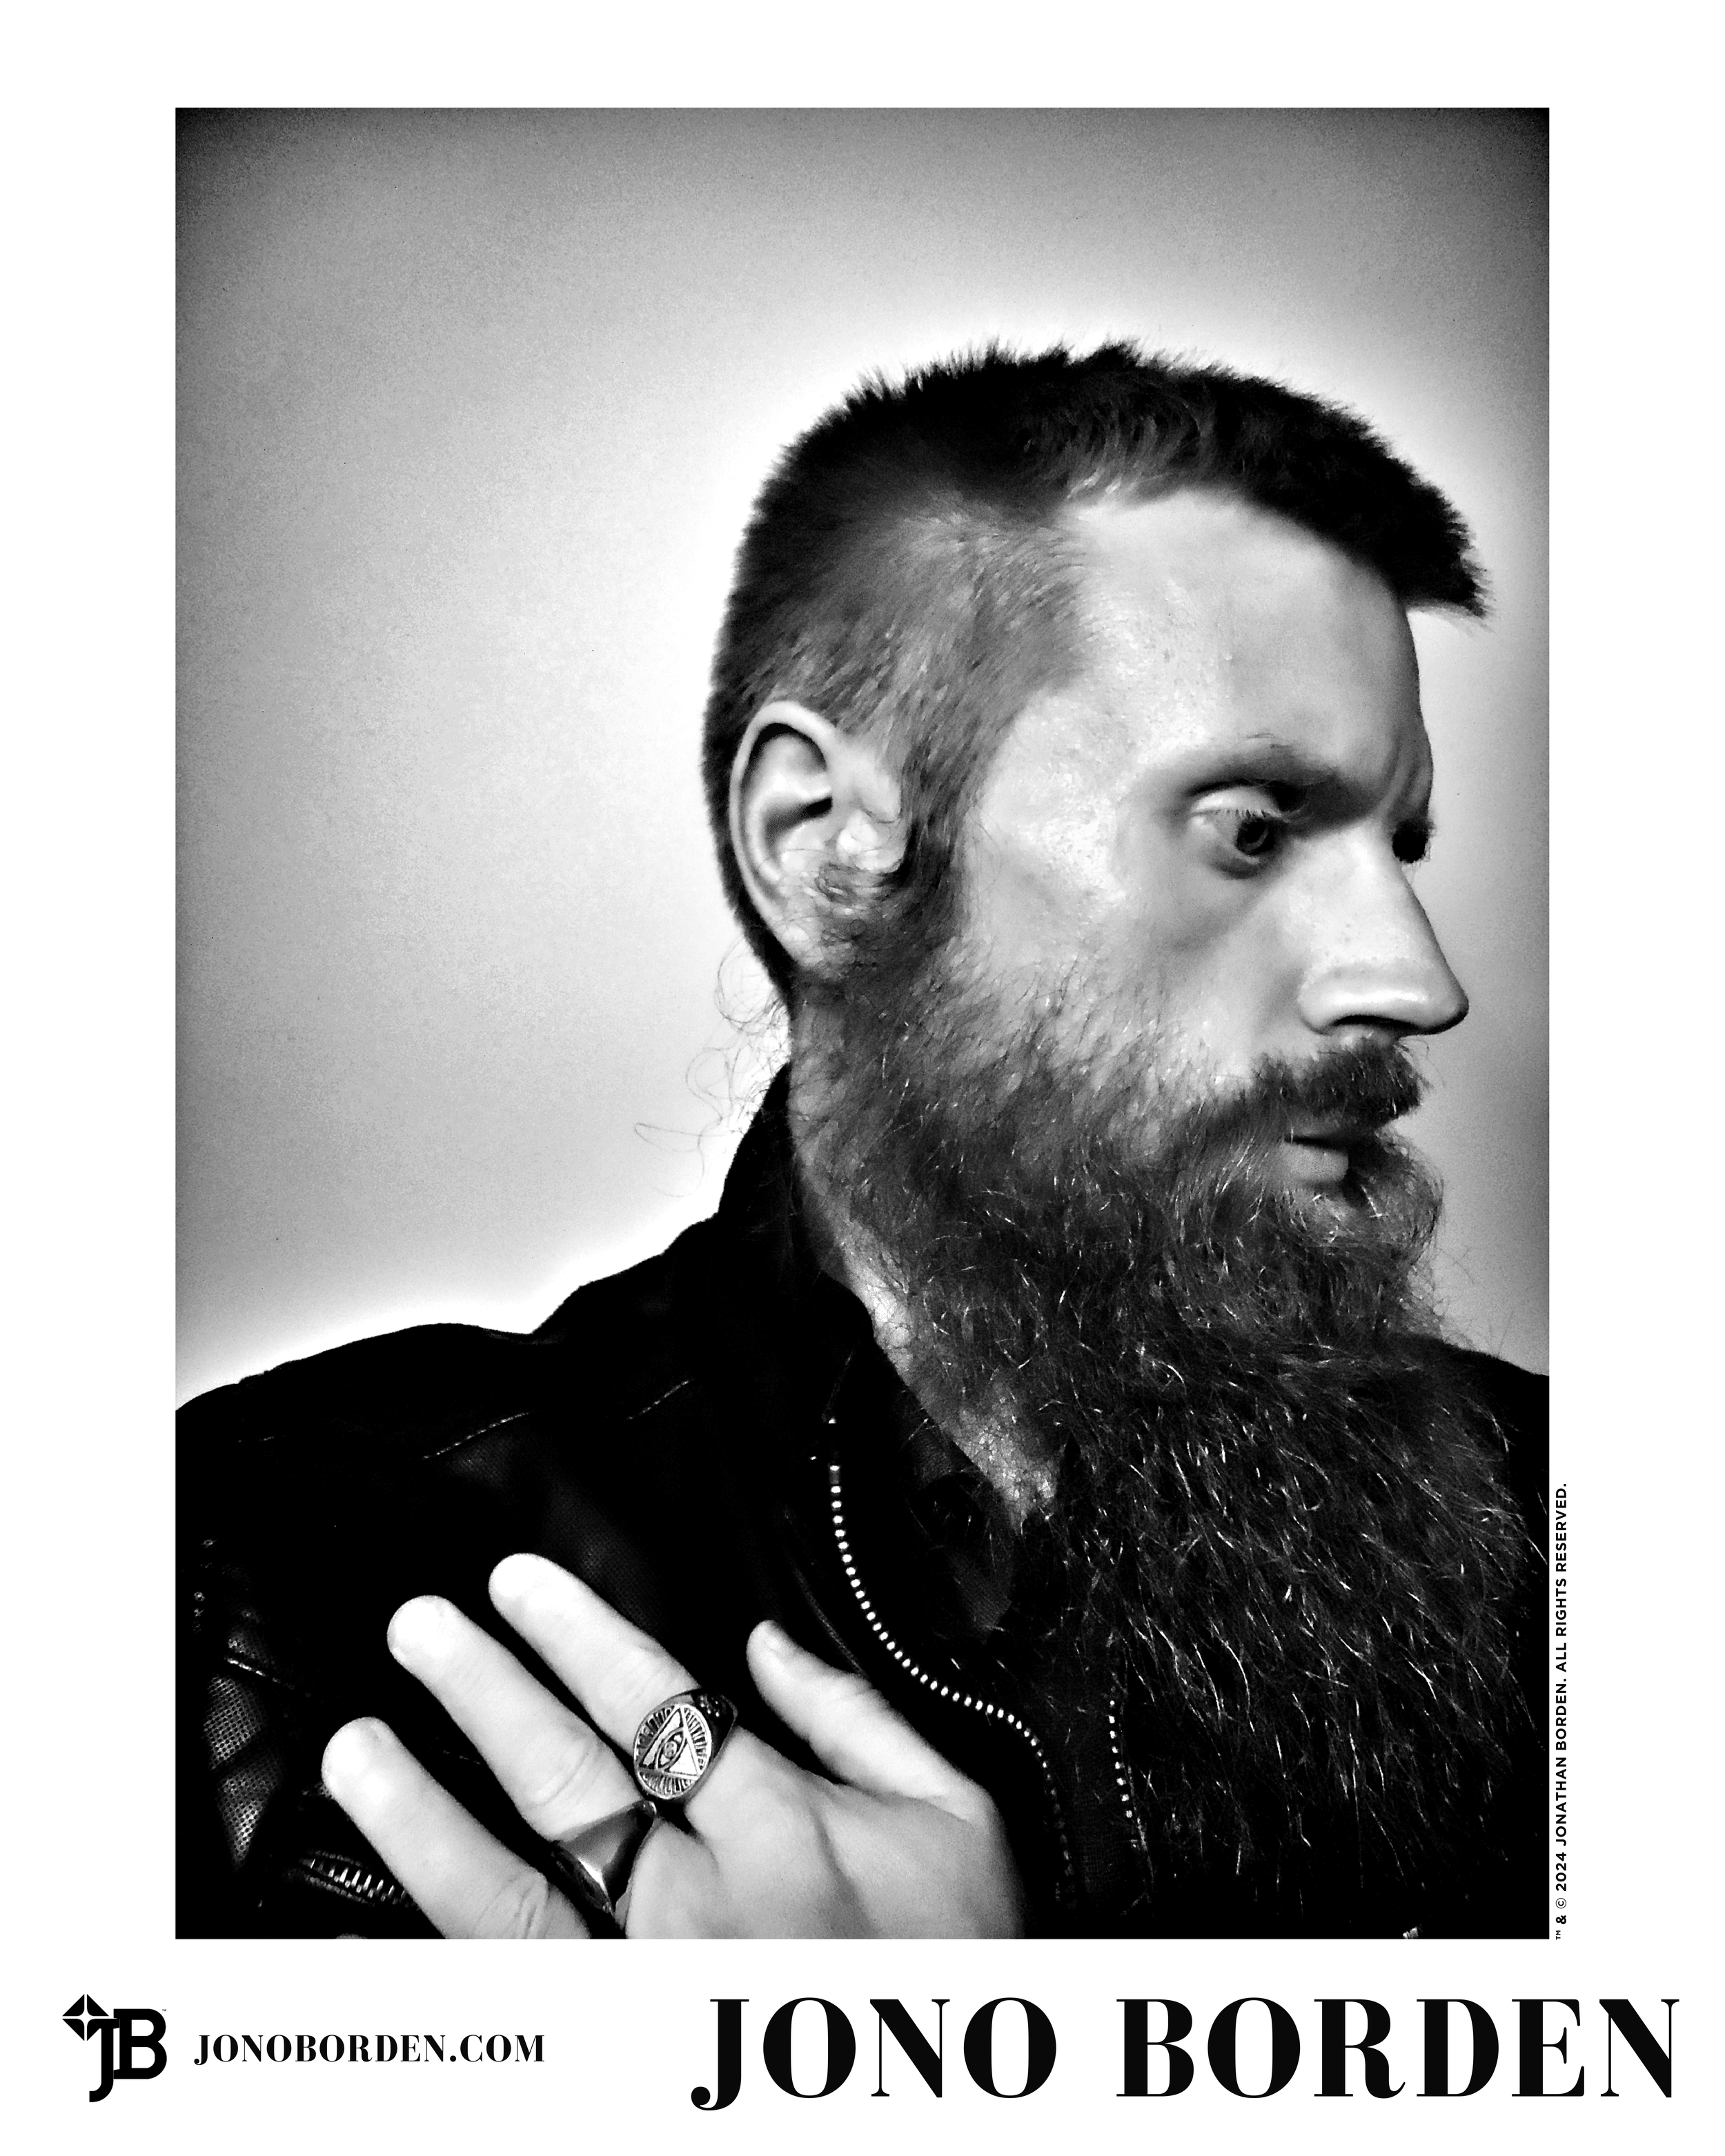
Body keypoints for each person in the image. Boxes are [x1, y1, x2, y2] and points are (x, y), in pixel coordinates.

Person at [179, 342, 1546, 1941]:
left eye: (1398, 848)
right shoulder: (266, 1564)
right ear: (831, 854)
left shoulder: (1581, 1532)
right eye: (1251, 829)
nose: (1415, 981)